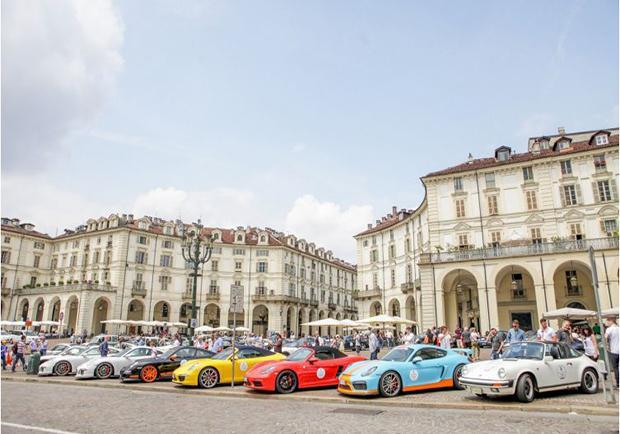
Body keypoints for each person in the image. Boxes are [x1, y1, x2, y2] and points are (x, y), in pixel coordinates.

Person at [604, 316, 619, 389]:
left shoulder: (609, 329)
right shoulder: (619, 328)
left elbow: (605, 338)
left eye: (607, 321)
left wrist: (607, 346)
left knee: (615, 368)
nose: (606, 322)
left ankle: (618, 384)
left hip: (614, 351)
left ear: (611, 321)